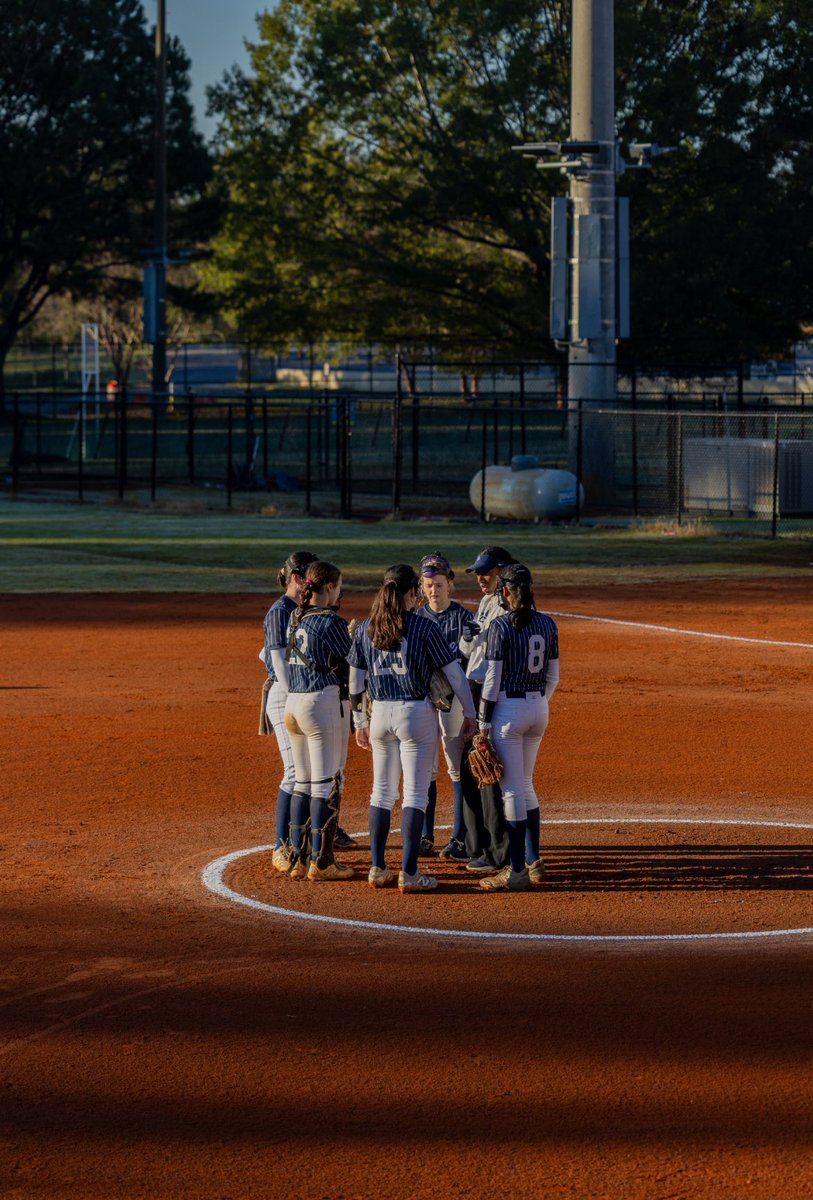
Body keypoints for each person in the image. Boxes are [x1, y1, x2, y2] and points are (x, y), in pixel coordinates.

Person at [349, 564, 477, 893]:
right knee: (415, 795)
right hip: (415, 713)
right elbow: (455, 676)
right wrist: (471, 713)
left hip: (379, 715)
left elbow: (355, 680)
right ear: (411, 593)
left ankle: (378, 868)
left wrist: (359, 721)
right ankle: (409, 873)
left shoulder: (366, 627)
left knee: (381, 792)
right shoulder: (422, 627)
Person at [476, 563, 559, 892]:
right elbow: (554, 678)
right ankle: (534, 861)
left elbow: (492, 681)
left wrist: (484, 724)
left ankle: (516, 870)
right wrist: (537, 701)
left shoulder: (499, 626)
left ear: (506, 592)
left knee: (511, 790)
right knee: (525, 784)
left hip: (508, 712)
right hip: (539, 709)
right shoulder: (548, 624)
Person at [284, 560, 354, 882]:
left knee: (302, 781)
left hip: (293, 705)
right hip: (321, 704)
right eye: (338, 587)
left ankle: (296, 857)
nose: (340, 592)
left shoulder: (295, 619)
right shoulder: (331, 622)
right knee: (327, 784)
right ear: (328, 587)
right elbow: (353, 665)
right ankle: (322, 862)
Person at [414, 552, 479, 862]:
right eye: (427, 584)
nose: (433, 590)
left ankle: (458, 836)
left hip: (453, 702)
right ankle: (425, 835)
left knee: (456, 769)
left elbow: (472, 665)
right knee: (426, 769)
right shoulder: (416, 618)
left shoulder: (465, 619)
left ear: (450, 584)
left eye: (438, 584)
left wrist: (471, 643)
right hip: (425, 702)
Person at [458, 545, 517, 873]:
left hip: (493, 694)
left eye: (487, 571)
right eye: (478, 572)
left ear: (504, 571)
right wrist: (468, 638)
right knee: (473, 771)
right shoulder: (484, 603)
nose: (481, 578)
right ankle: (476, 845)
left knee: (489, 772)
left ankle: (498, 852)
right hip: (473, 689)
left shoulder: (511, 607)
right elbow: (469, 651)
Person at [261, 550, 318, 873]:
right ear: (297, 578)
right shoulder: (279, 612)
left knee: (314, 771)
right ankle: (281, 844)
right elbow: (275, 660)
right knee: (295, 772)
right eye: (311, 578)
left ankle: (315, 829)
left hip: (304, 694)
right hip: (286, 696)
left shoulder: (303, 609)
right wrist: (295, 692)